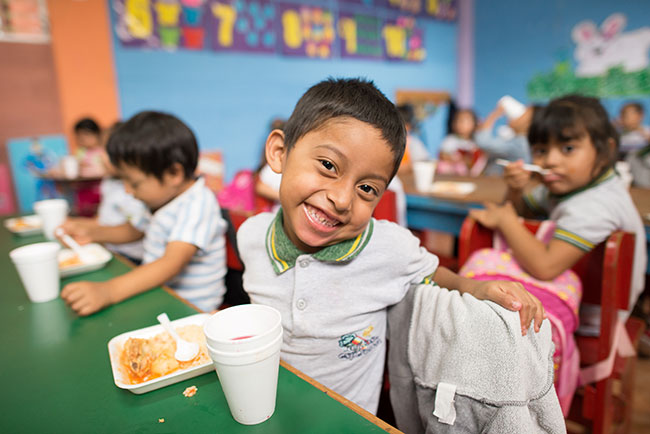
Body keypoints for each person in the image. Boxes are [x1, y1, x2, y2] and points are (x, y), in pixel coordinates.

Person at [236, 78, 544, 414]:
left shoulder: (388, 246)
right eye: (327, 166)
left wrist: (477, 288)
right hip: (265, 411)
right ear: (279, 153)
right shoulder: (251, 235)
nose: (341, 199)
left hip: (352, 422)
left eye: (366, 188)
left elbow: (432, 274)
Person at [467, 95, 647, 411]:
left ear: (604, 151)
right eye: (540, 150)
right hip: (583, 304)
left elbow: (545, 266)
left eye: (567, 149)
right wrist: (516, 191)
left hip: (595, 318)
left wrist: (507, 221)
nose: (550, 161)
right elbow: (528, 212)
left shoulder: (594, 205)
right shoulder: (577, 187)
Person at [59, 111, 228, 315]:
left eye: (134, 183)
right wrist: (90, 232)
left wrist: (108, 291)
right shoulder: (160, 199)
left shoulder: (198, 202)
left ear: (174, 173)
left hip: (192, 308)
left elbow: (170, 263)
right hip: (160, 295)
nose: (128, 191)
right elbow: (133, 231)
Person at [61, 122, 149, 264]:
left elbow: (136, 230)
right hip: (109, 248)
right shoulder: (109, 181)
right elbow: (102, 217)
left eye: (107, 152)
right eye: (101, 149)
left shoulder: (137, 188)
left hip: (131, 256)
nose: (101, 157)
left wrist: (91, 233)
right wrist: (81, 225)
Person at [474, 100, 537, 175]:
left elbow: (483, 142)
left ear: (529, 123)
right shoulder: (517, 140)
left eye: (524, 113)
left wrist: (494, 115)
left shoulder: (519, 144)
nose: (518, 114)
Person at [438, 104, 486, 176]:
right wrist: (455, 159)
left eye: (466, 121)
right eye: (459, 121)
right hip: (452, 171)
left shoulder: (474, 143)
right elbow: (442, 155)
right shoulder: (450, 140)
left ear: (474, 124)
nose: (461, 124)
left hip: (469, 172)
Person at [396, 103, 431, 175]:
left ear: (408, 127)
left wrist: (409, 167)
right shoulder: (385, 143)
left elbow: (424, 162)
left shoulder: (412, 143)